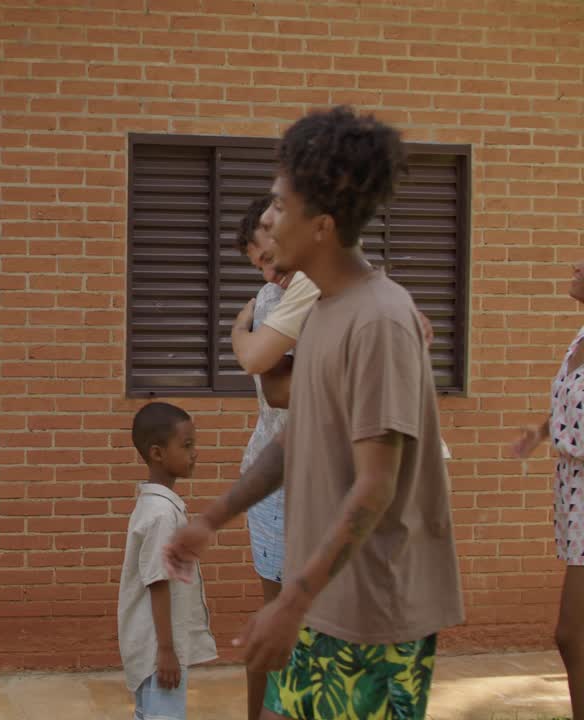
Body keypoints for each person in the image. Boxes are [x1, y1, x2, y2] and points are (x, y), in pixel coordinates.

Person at [165, 106, 463, 719]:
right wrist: (212, 518)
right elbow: (299, 438)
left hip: (374, 615)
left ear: (322, 224)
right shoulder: (325, 310)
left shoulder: (380, 320)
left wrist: (291, 601)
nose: (267, 220)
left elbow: (375, 486)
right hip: (326, 599)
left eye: (279, 205)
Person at [511, 258, 584, 720]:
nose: (576, 265)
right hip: (572, 496)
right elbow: (569, 402)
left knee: (571, 634)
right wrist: (540, 433)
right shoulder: (579, 338)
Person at [117, 402, 216, 720]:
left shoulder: (158, 506)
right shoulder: (161, 515)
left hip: (155, 647)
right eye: (186, 445)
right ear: (157, 454)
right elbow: (157, 582)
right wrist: (166, 651)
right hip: (158, 650)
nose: (194, 453)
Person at [233, 197, 291, 720]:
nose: (269, 272)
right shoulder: (275, 297)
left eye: (271, 255)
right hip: (279, 481)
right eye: (259, 264)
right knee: (281, 619)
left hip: (318, 477)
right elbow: (278, 391)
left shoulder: (326, 288)